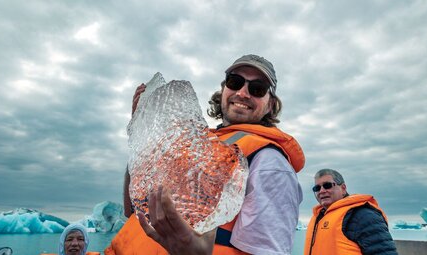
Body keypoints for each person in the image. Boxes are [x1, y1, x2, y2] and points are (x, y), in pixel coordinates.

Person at [105, 54, 306, 255]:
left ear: (270, 105)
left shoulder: (270, 162)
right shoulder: (198, 144)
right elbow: (134, 209)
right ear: (224, 89)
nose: (243, 93)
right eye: (235, 82)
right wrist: (142, 132)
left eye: (257, 89)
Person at [304, 169, 398, 255]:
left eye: (327, 185)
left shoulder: (362, 215)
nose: (322, 191)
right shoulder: (319, 217)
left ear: (343, 188)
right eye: (317, 188)